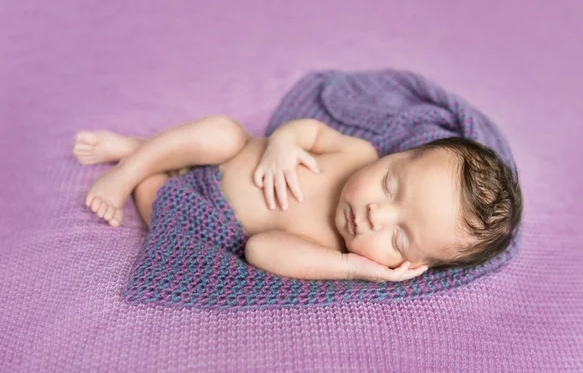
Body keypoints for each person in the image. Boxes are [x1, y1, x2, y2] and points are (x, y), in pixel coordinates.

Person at [72, 115, 522, 282]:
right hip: (231, 155)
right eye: (390, 186)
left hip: (208, 211)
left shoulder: (329, 252)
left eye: (400, 239)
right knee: (223, 132)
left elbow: (258, 248)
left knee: (169, 223)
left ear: (409, 266)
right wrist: (284, 144)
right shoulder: (356, 151)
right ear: (394, 156)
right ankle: (131, 159)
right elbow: (307, 129)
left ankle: (145, 173)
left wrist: (348, 267)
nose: (374, 215)